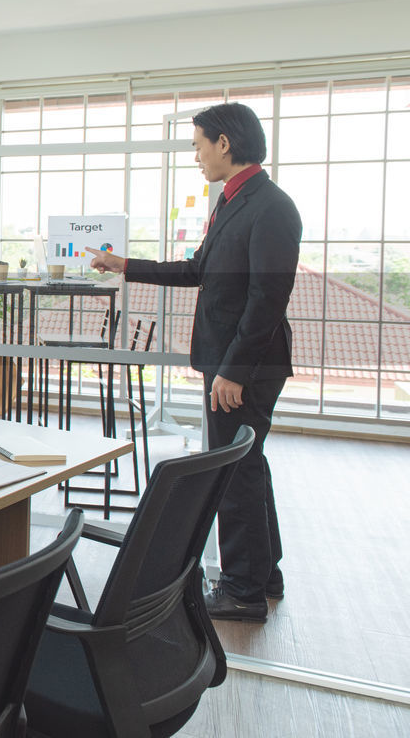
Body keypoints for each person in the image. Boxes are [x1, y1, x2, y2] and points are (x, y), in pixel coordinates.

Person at [85, 102, 301, 623]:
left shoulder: (270, 206)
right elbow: (197, 270)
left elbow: (267, 298)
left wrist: (232, 369)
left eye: (199, 143)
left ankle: (243, 591)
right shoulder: (233, 202)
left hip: (243, 366)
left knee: (233, 471)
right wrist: (126, 265)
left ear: (224, 142)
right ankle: (261, 575)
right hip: (229, 361)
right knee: (245, 466)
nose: (197, 155)